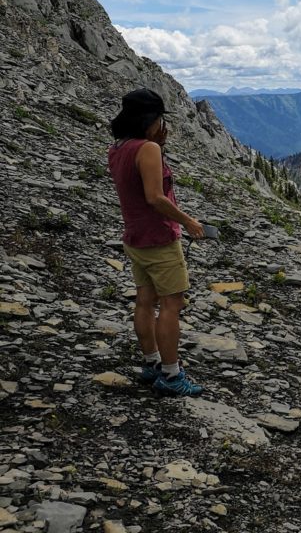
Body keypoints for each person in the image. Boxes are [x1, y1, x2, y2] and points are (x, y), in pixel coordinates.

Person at [108, 88, 205, 397]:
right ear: (150, 120)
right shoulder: (148, 148)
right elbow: (154, 197)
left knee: (145, 300)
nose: (163, 125)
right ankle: (172, 375)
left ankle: (151, 363)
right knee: (172, 305)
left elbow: (136, 191)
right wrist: (188, 221)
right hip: (159, 239)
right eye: (160, 119)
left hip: (135, 238)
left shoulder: (120, 147)